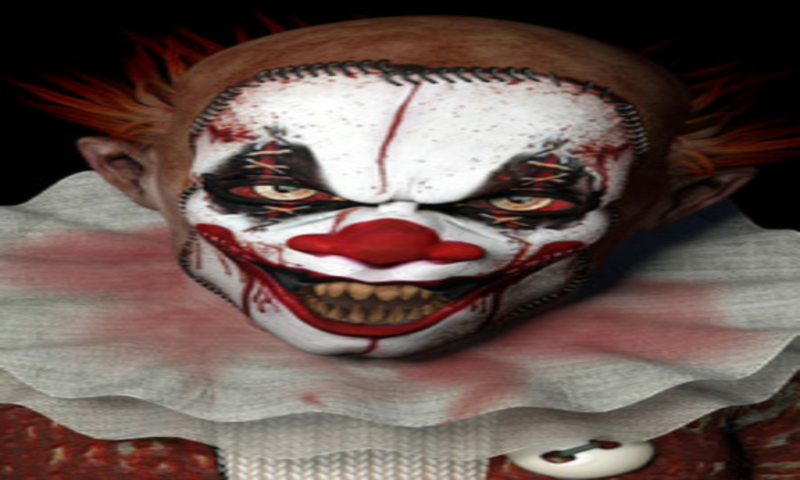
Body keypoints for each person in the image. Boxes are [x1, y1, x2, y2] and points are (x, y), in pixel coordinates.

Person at [1, 15, 797, 479]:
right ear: (131, 178)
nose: (382, 248)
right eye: (278, 189)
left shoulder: (756, 366)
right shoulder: (22, 361)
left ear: (677, 205)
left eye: (522, 198)